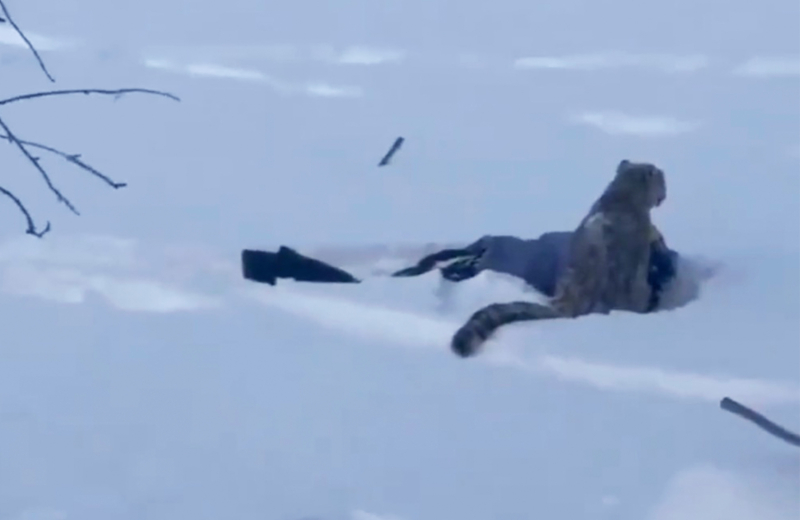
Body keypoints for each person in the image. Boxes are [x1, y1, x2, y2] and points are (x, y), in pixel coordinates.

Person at [241, 229, 680, 313]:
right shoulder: (599, 257)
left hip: (486, 251)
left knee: (382, 285)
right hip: (479, 264)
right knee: (371, 290)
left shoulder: (595, 234)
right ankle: (277, 270)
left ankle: (276, 267)